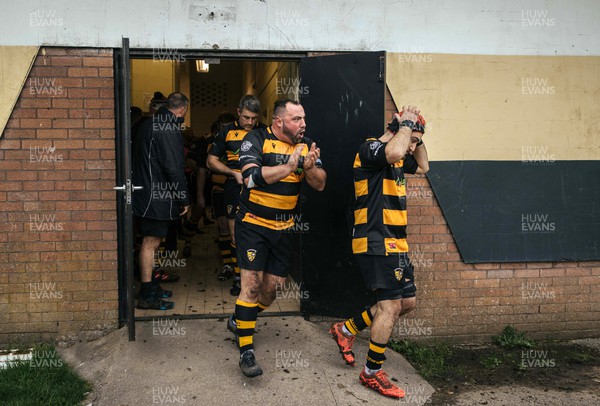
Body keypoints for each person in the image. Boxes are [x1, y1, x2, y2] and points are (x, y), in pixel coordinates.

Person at [329, 105, 429, 399]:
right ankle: (371, 373)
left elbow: (424, 166)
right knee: (390, 307)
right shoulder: (371, 148)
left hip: (396, 242)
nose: (412, 147)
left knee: (406, 302)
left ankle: (345, 330)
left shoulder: (402, 155)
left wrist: (416, 135)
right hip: (375, 241)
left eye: (415, 141)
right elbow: (396, 151)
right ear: (397, 131)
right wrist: (406, 126)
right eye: (410, 139)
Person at [228, 99, 327, 378]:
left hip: (284, 229)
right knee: (252, 284)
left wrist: (308, 167)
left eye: (304, 118)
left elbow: (320, 183)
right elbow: (250, 178)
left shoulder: (307, 145)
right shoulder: (255, 138)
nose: (303, 124)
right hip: (253, 225)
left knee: (271, 290)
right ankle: (246, 351)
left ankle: (240, 318)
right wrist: (290, 165)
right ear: (279, 121)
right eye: (297, 119)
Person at [132, 92, 190, 310]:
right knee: (151, 242)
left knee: (152, 242)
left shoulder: (150, 122)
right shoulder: (167, 127)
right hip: (154, 195)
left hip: (148, 193)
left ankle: (152, 286)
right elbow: (173, 167)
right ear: (183, 109)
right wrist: (183, 197)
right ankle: (147, 294)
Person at [207, 96, 266, 296]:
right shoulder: (226, 132)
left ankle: (257, 277)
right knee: (235, 235)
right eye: (246, 117)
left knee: (259, 233)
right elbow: (210, 160)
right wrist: (232, 172)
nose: (250, 123)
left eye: (254, 118)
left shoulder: (264, 131)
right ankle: (239, 279)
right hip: (234, 188)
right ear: (238, 111)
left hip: (261, 190)